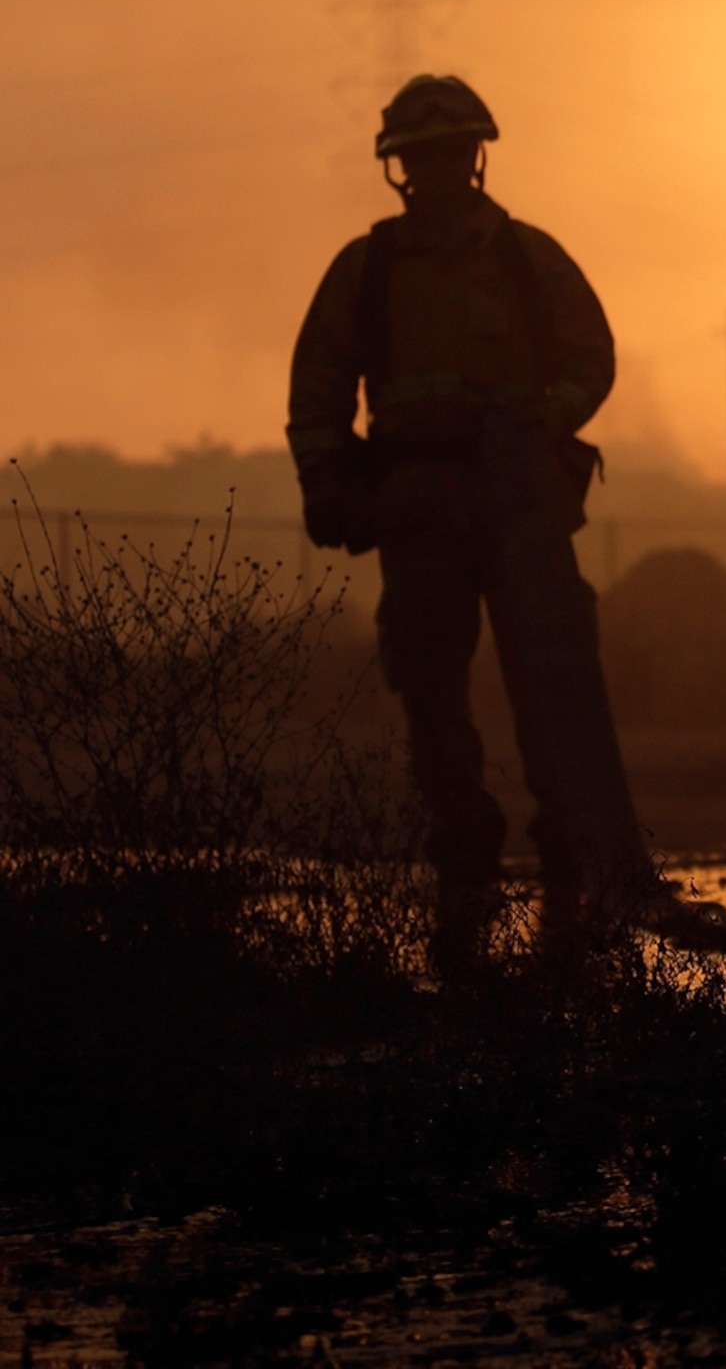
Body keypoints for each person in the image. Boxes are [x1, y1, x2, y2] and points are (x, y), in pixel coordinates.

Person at [288, 75, 666, 971]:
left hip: (522, 501)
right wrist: (327, 481)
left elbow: (591, 355)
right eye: (423, 156)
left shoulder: (527, 260)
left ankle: (569, 852)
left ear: (476, 155)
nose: (439, 168)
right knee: (430, 689)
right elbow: (317, 389)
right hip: (417, 507)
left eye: (450, 151)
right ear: (400, 167)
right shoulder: (368, 270)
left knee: (552, 683)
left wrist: (548, 418)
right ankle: (465, 860)